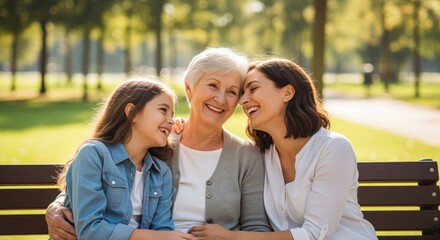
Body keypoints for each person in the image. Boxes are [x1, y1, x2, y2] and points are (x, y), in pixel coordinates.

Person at [45, 48, 272, 240]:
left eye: (232, 92)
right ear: (190, 88)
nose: (221, 99)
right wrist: (58, 205)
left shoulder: (246, 156)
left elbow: (257, 228)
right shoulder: (159, 144)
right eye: (213, 85)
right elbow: (103, 176)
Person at [188, 58, 378, 240]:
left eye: (253, 89)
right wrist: (184, 127)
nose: (242, 101)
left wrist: (232, 237)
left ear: (287, 92)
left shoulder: (333, 148)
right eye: (242, 93)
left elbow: (315, 235)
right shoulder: (262, 155)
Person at [56, 77, 196, 240]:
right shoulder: (94, 155)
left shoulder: (161, 172)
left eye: (172, 114)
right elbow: (90, 231)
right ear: (132, 113)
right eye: (163, 110)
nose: (171, 121)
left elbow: (162, 230)